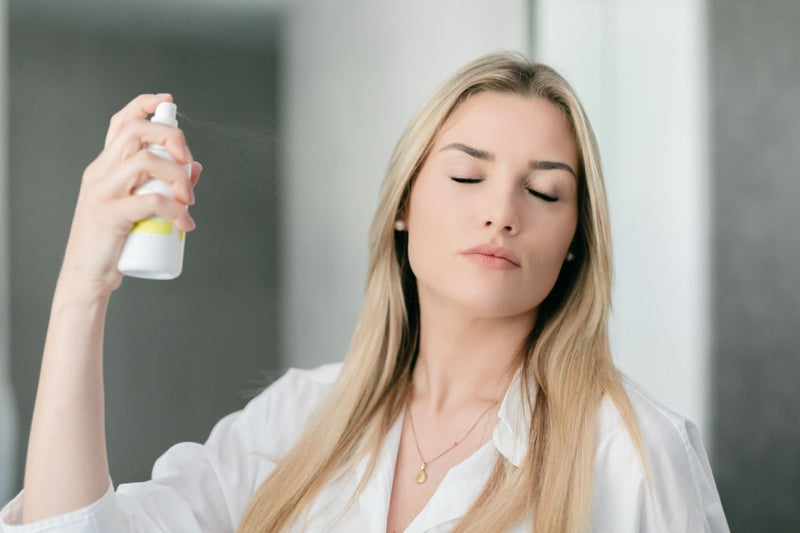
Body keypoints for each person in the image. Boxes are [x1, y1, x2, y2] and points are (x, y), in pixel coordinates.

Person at [1, 51, 729, 532]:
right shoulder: (294, 423)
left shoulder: (631, 454)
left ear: (576, 239)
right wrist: (81, 287)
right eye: (467, 175)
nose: (501, 210)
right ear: (405, 205)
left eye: (544, 191)